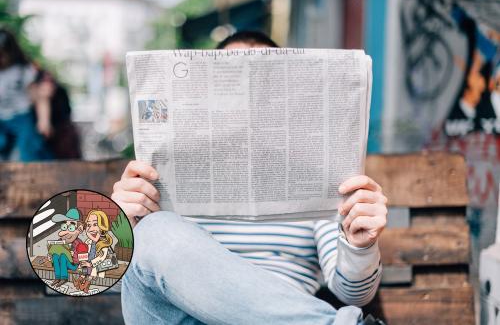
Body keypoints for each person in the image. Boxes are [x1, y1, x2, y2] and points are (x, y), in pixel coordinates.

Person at [112, 31, 387, 325]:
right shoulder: (158, 174)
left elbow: (353, 294)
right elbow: (122, 286)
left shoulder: (317, 176)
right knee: (155, 231)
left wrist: (360, 245)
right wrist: (119, 228)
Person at [0, 28, 52, 161]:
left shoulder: (22, 70)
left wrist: (43, 120)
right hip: (1, 118)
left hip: (21, 117)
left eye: (2, 55)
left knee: (28, 148)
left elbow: (39, 97)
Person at [48, 208, 86, 288]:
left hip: (74, 265)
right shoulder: (60, 241)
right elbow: (53, 251)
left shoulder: (79, 244)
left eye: (71, 228)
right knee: (55, 255)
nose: (66, 232)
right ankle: (57, 277)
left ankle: (64, 278)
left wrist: (74, 255)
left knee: (63, 257)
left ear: (80, 229)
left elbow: (83, 260)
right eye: (64, 226)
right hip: (63, 264)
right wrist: (50, 255)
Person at [78, 209, 113, 293]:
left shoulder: (104, 243)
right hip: (89, 262)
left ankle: (85, 286)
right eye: (89, 225)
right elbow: (85, 252)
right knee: (83, 270)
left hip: (99, 265)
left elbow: (101, 258)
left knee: (92, 273)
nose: (91, 229)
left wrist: (90, 264)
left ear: (103, 226)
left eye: (95, 224)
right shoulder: (88, 241)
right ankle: (80, 283)